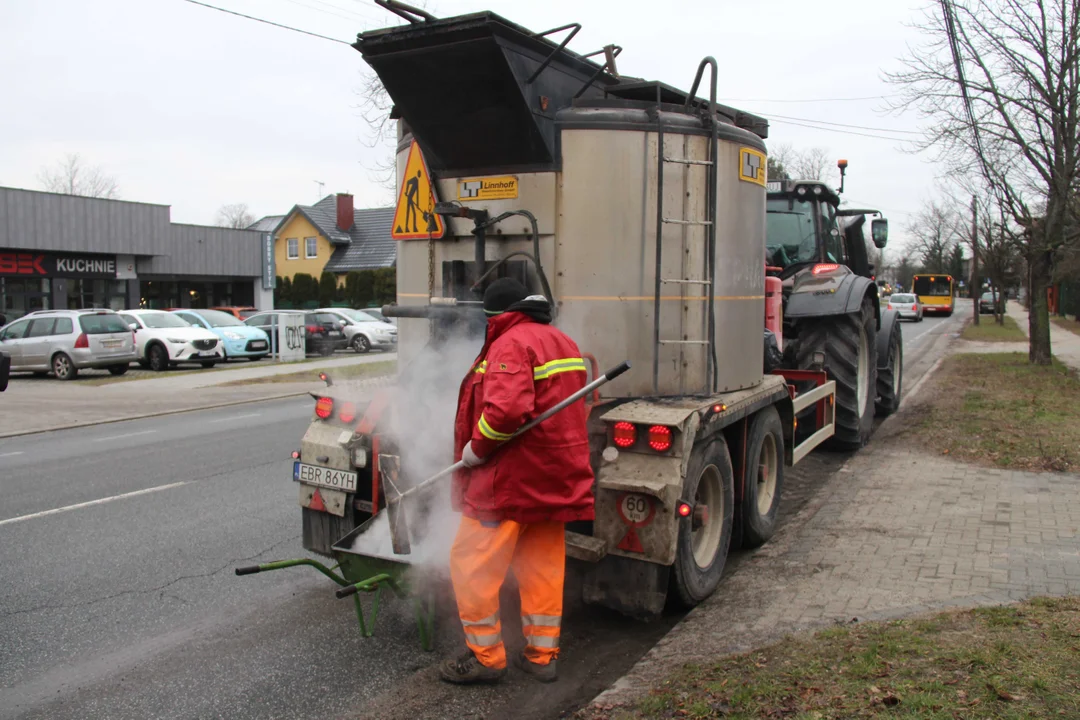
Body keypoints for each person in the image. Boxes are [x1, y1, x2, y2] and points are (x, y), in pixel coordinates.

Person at [440, 277, 594, 685]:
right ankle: (542, 656)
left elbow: (506, 412)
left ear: (496, 316)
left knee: (470, 563)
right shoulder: (563, 342)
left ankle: (485, 656)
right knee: (540, 566)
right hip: (552, 479)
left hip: (508, 483)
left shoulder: (510, 343)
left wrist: (477, 448)